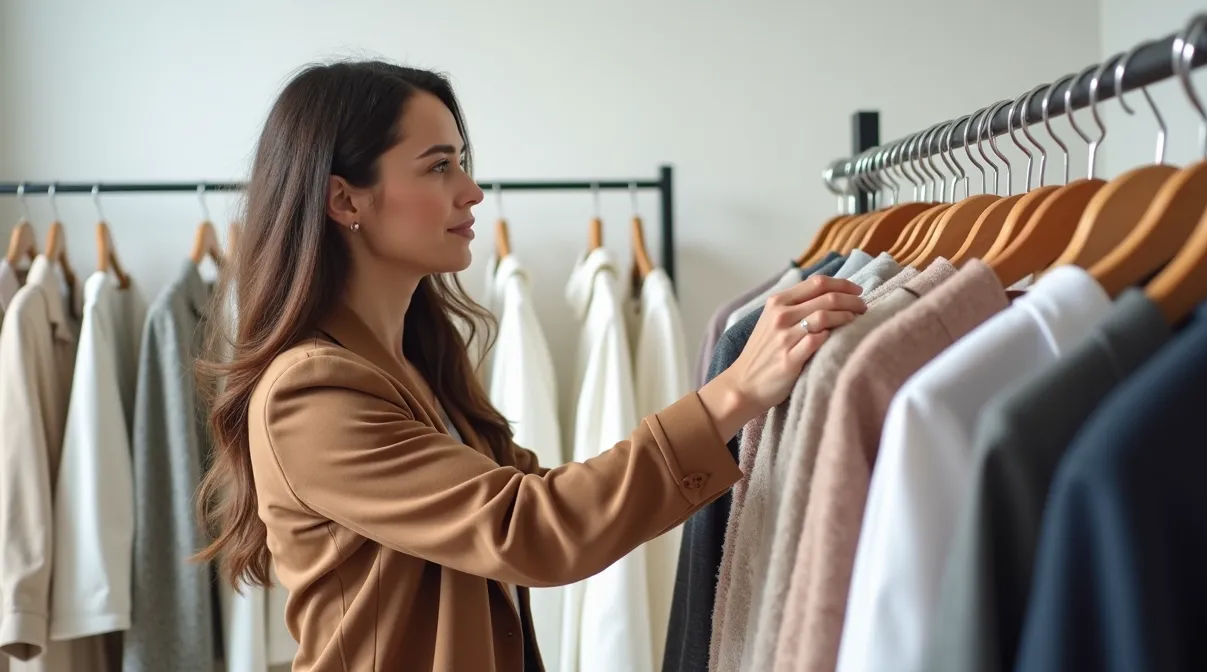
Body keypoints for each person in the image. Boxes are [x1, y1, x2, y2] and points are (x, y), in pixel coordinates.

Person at [192, 60, 867, 672]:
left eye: (461, 163)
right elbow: (528, 527)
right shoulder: (311, 393)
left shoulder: (415, 360)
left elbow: (536, 497)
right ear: (345, 200)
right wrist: (735, 392)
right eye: (439, 166)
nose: (472, 191)